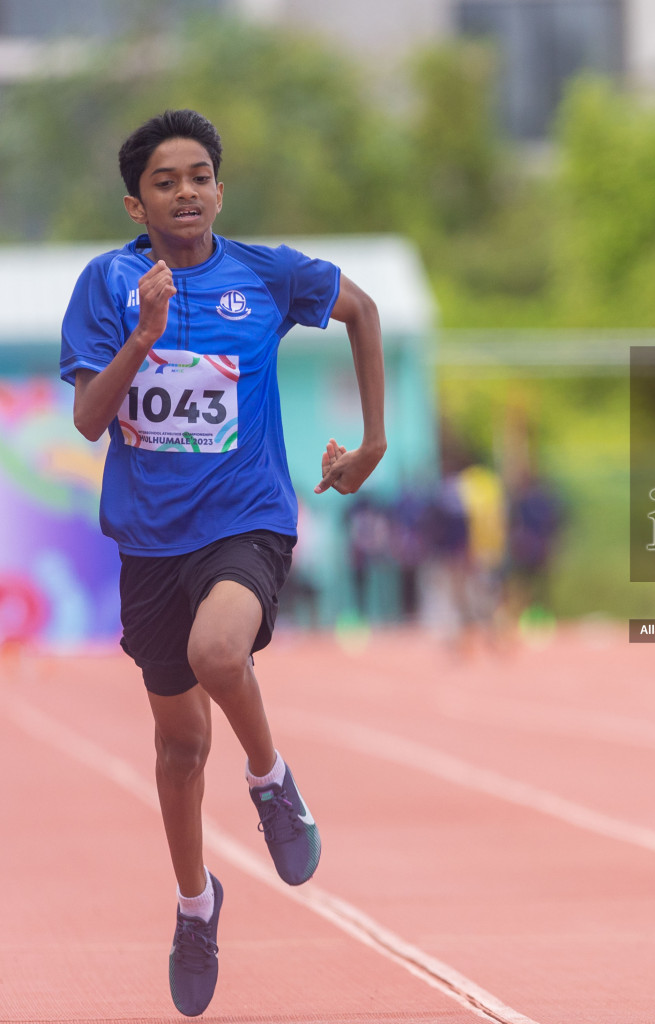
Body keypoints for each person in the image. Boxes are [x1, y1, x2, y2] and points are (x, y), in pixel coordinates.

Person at [60, 109, 386, 1016]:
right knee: (177, 747)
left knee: (218, 654)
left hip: (247, 522)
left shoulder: (267, 273)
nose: (187, 191)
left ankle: (272, 781)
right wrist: (143, 333)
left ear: (219, 188)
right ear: (137, 200)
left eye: (200, 174)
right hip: (149, 540)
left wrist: (372, 442)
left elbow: (360, 310)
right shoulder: (108, 282)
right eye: (166, 180)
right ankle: (197, 905)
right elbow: (90, 421)